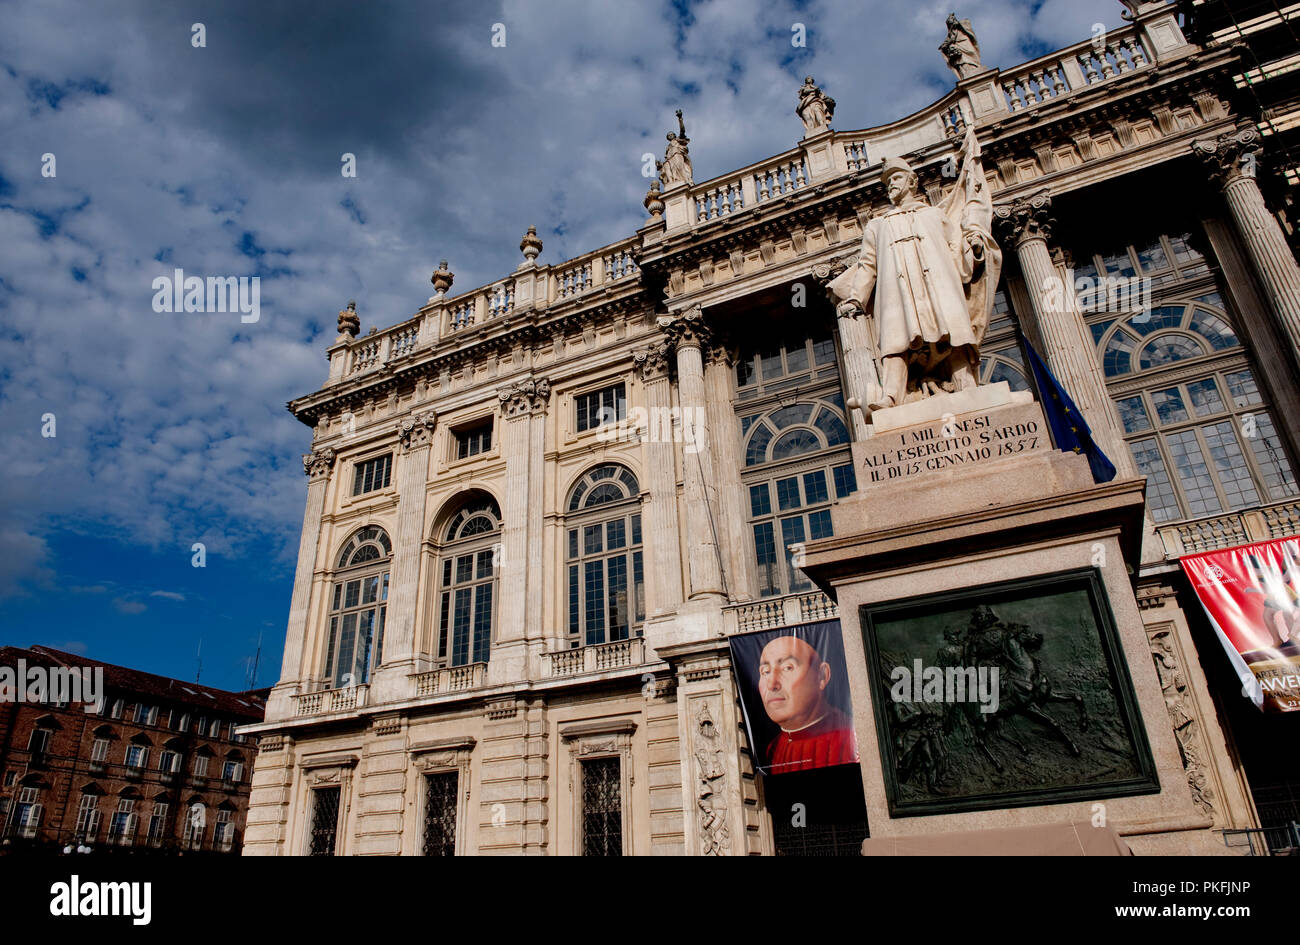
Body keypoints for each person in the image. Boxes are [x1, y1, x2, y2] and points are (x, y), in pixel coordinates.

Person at [827, 134, 1000, 413]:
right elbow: (868, 264)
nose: (890, 185)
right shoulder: (877, 225)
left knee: (951, 334)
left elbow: (957, 249)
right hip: (898, 294)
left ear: (911, 181)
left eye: (895, 179)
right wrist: (857, 298)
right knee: (896, 343)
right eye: (887, 182)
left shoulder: (933, 216)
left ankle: (966, 384)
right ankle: (892, 395)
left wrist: (974, 249)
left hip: (937, 286)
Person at [757, 634, 857, 773]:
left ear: (822, 676)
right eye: (765, 672)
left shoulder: (852, 737)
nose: (772, 684)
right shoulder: (772, 749)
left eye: (787, 668)